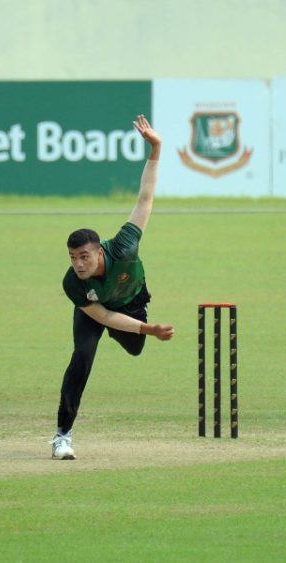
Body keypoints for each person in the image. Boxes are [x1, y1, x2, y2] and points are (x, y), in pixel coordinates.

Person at [52, 115, 174, 460]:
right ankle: (62, 436)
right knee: (82, 356)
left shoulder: (124, 246)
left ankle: (137, 330)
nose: (79, 264)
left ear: (99, 252)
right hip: (97, 311)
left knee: (135, 349)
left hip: (131, 301)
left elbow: (145, 199)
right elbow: (104, 317)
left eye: (84, 257)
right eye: (73, 257)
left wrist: (156, 148)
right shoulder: (73, 283)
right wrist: (150, 329)